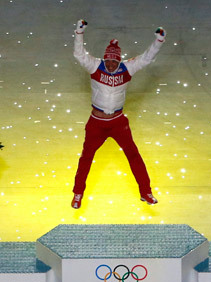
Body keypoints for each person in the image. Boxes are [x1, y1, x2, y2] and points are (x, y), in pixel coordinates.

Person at [71, 19, 166, 209]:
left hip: (117, 122)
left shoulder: (126, 68)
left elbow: (146, 58)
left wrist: (158, 42)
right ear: (104, 59)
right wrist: (79, 33)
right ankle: (78, 193)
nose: (112, 65)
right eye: (109, 62)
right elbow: (79, 54)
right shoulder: (95, 66)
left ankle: (145, 192)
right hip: (96, 122)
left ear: (119, 60)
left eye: (115, 62)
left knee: (133, 155)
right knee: (86, 157)